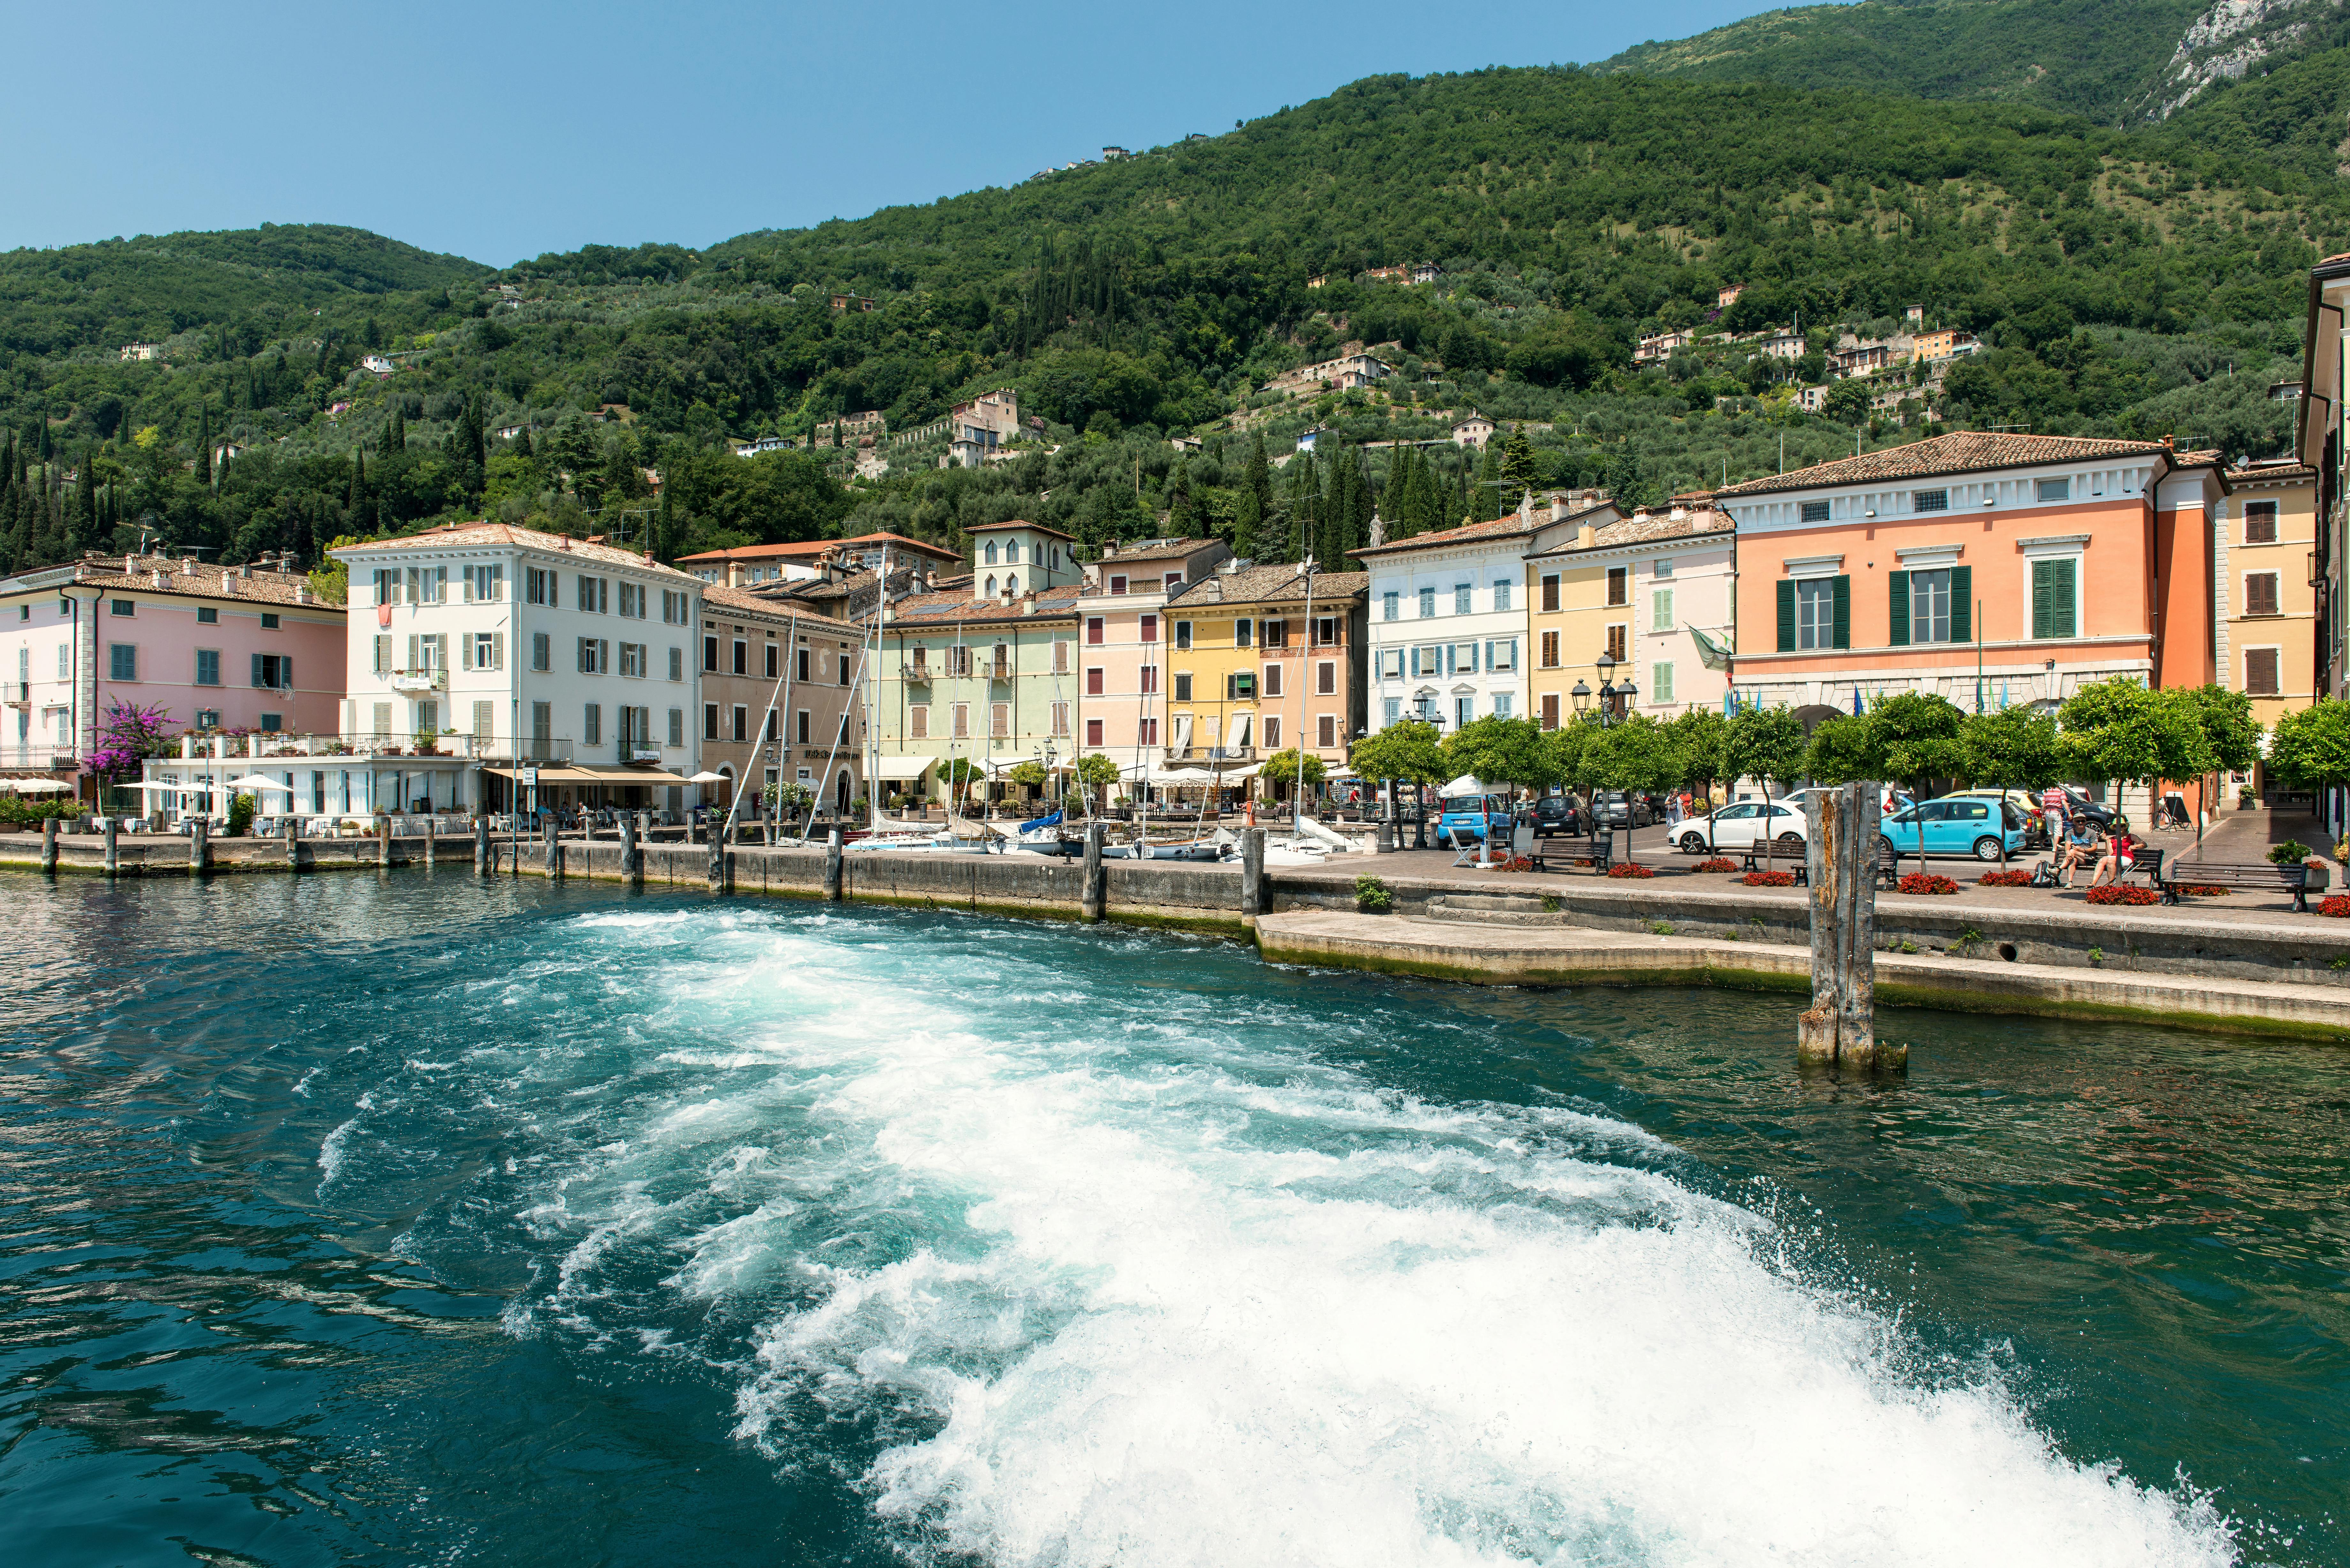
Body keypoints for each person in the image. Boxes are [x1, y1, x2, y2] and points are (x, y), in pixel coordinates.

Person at [2088, 818, 2135, 889]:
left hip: (2127, 858)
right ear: (2115, 828)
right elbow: (2110, 854)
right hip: (2115, 858)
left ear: (2125, 828)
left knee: (2110, 861)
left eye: (2121, 826)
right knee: (2103, 860)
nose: (2119, 828)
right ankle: (2093, 883)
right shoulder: (2112, 839)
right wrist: (2107, 841)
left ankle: (2111, 885)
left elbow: (2144, 844)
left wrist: (2135, 846)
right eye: (2117, 826)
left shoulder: (2131, 836)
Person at [2058, 816, 2101, 889]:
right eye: (2078, 821)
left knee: (2072, 851)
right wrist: (2068, 852)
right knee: (2073, 860)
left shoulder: (2091, 832)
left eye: (2083, 821)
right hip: (2075, 857)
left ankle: (2059, 869)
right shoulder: (2070, 833)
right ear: (2074, 822)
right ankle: (2070, 883)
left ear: (2085, 822)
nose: (2081, 823)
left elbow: (2094, 848)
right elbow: (2068, 844)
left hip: (2088, 858)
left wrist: (2082, 850)